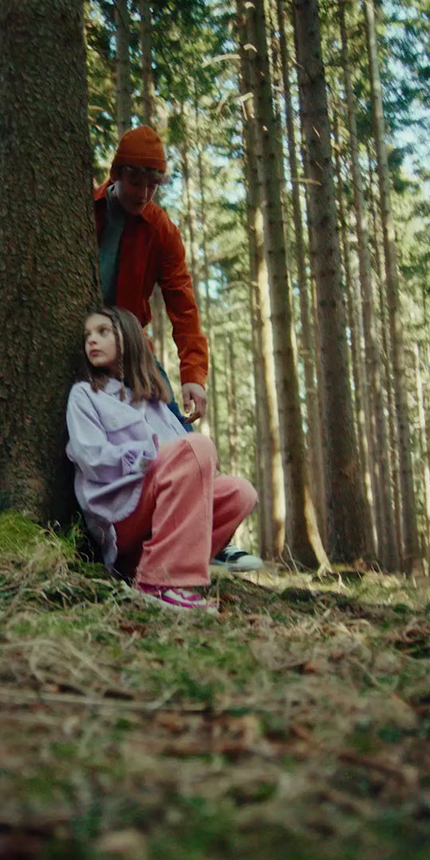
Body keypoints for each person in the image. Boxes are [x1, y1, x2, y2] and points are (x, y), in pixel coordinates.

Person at [95, 125, 261, 572]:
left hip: (134, 351)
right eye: (136, 181)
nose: (144, 192)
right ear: (116, 174)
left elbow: (182, 303)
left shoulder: (161, 230)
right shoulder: (85, 210)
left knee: (179, 435)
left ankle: (213, 540)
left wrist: (193, 374)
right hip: (85, 342)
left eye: (154, 183)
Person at [67, 307, 258, 613]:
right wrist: (143, 457)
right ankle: (159, 583)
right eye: (87, 335)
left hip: (158, 517)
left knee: (240, 493)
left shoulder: (154, 401)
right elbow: (91, 457)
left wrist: (194, 465)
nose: (92, 340)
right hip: (122, 508)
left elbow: (184, 458)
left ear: (129, 339)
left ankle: (157, 565)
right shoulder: (85, 395)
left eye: (103, 332)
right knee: (197, 448)